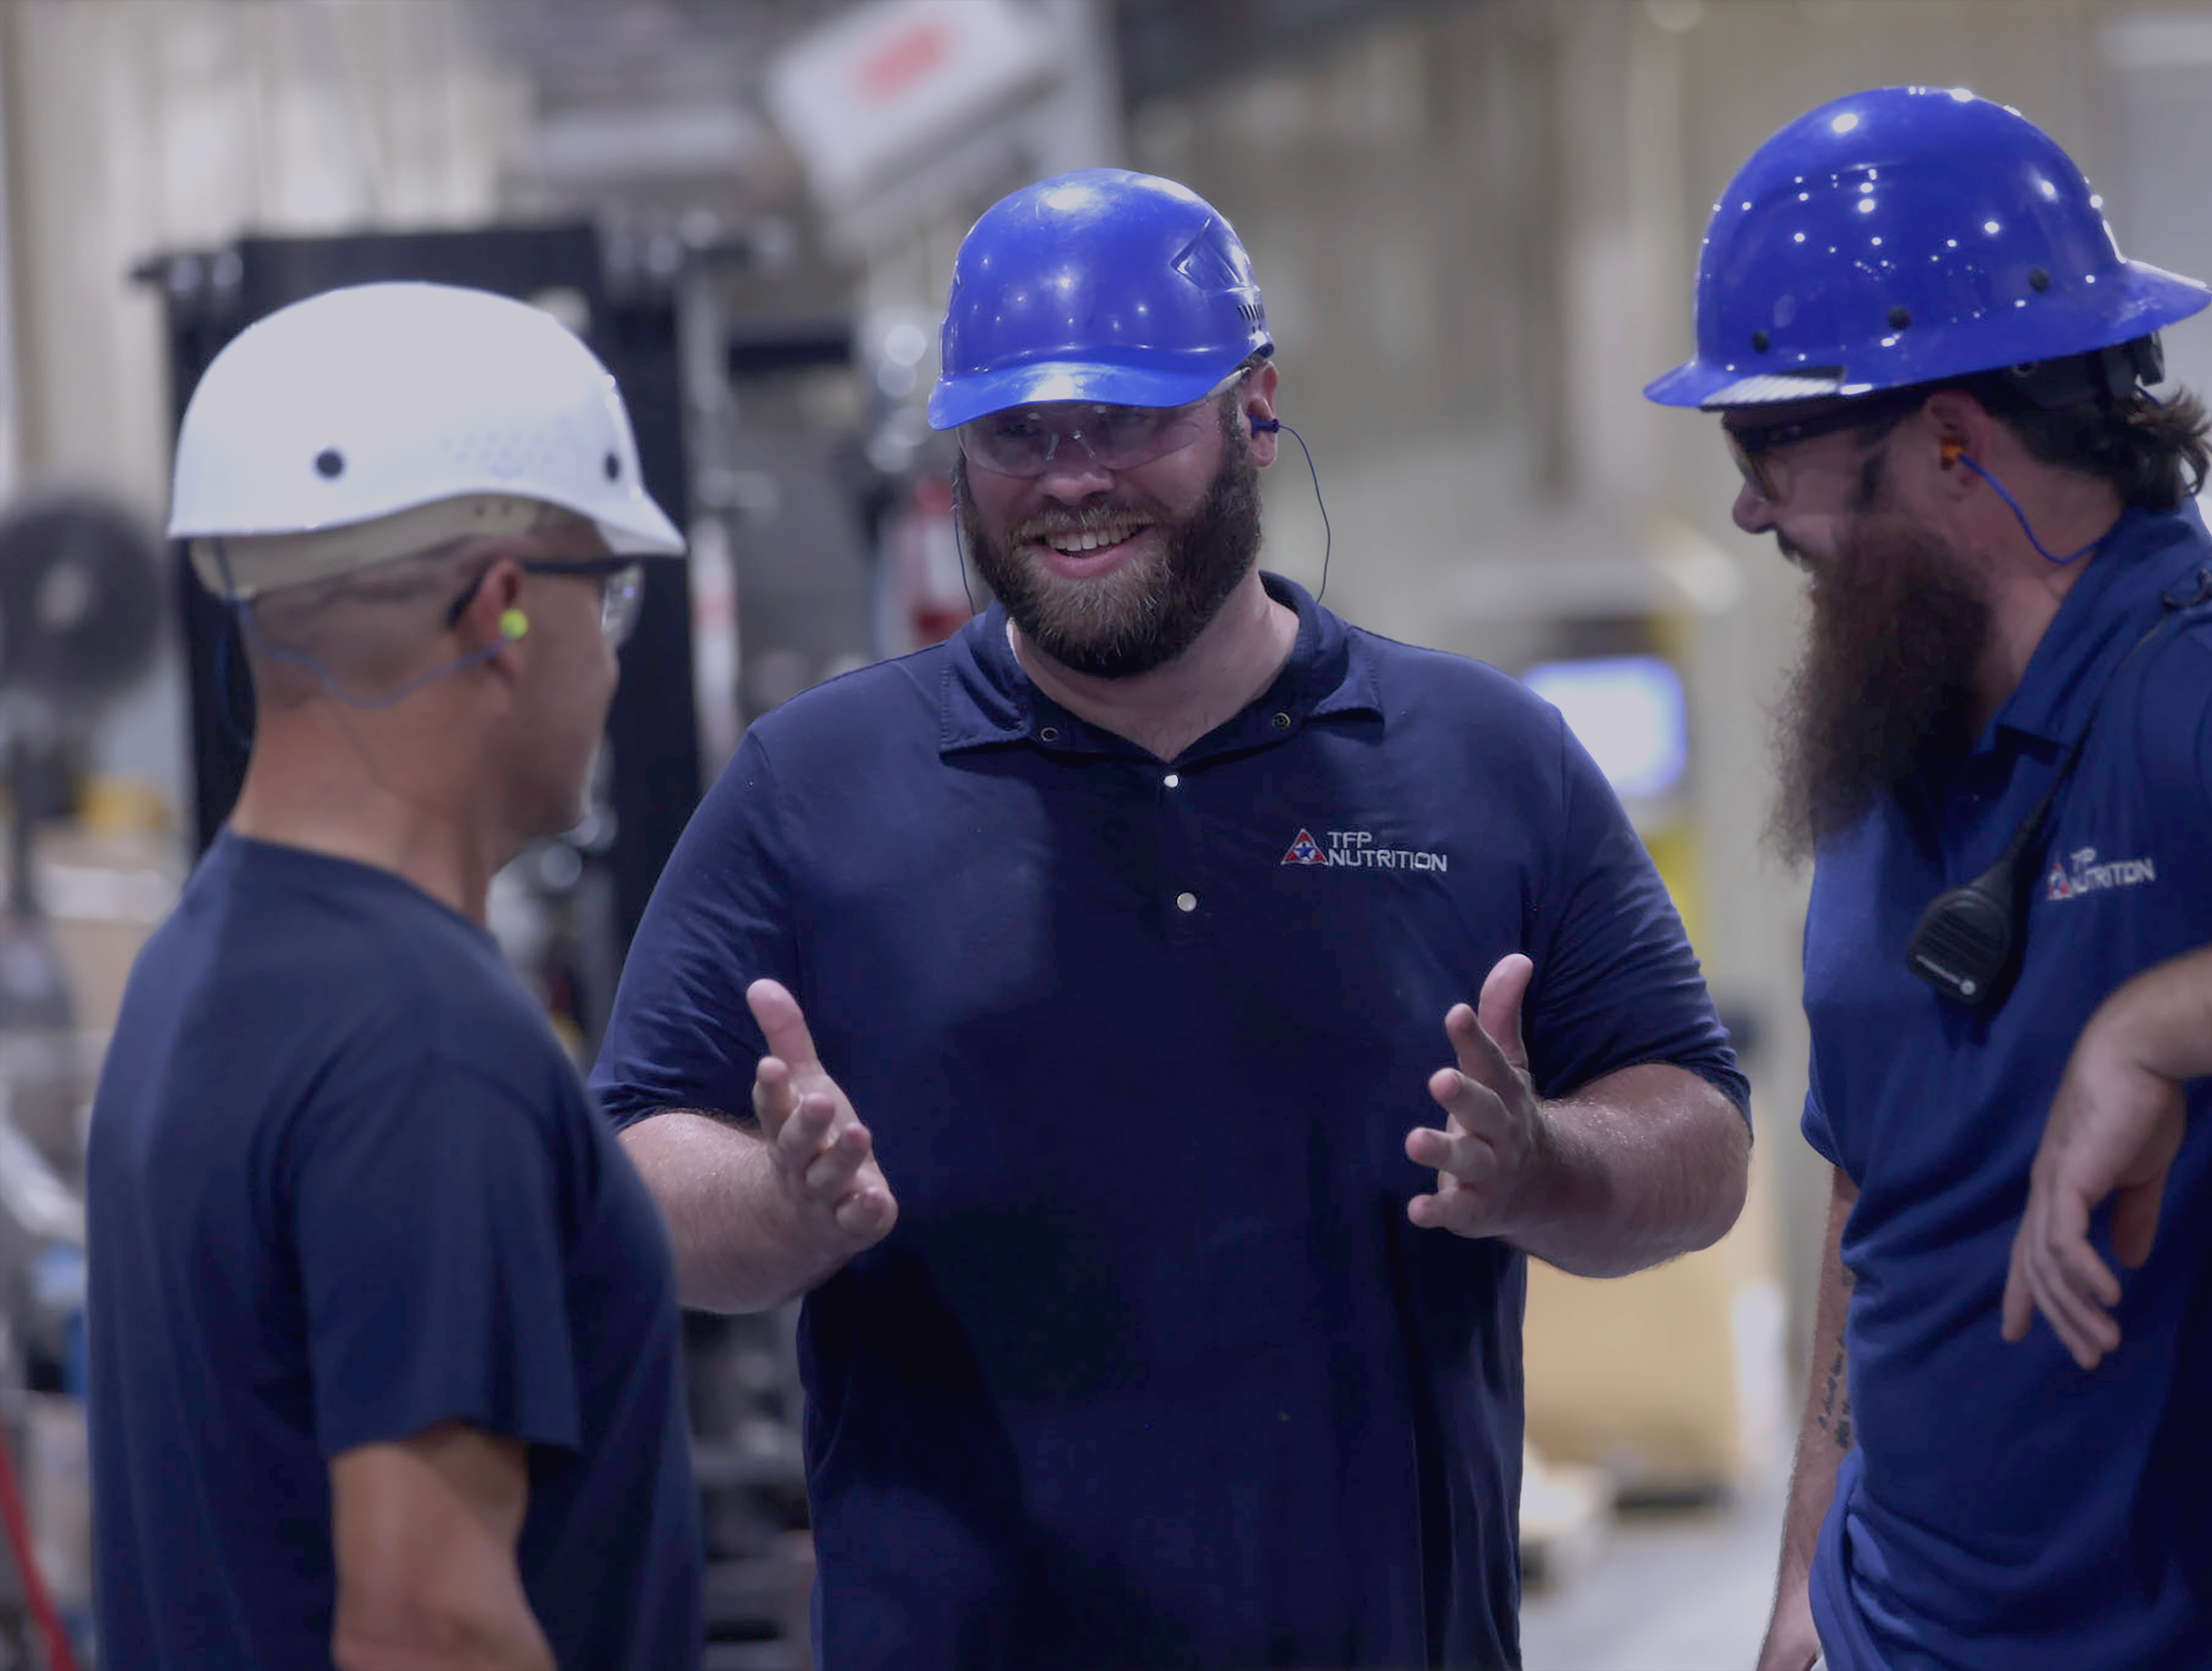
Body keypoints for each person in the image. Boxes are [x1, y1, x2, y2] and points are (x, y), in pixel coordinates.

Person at [592, 167, 1752, 1669]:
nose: (1070, 478)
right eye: (1018, 433)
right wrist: (783, 1211)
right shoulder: (815, 788)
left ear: (1256, 408)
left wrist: (1550, 1166)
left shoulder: (1481, 762)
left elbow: (1703, 1138)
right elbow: (631, 1164)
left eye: (1129, 420)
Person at [1646, 84, 2212, 1671]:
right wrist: (1799, 1589)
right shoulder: (1892, 716)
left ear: (1955, 437)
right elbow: (1872, 1186)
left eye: (1772, 444)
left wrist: (2163, 1022)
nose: (1750, 503)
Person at [85, 281, 704, 1671]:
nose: (606, 655)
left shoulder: (209, 956)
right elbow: (431, 1622)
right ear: (503, 613)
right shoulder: (426, 1047)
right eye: (599, 593)